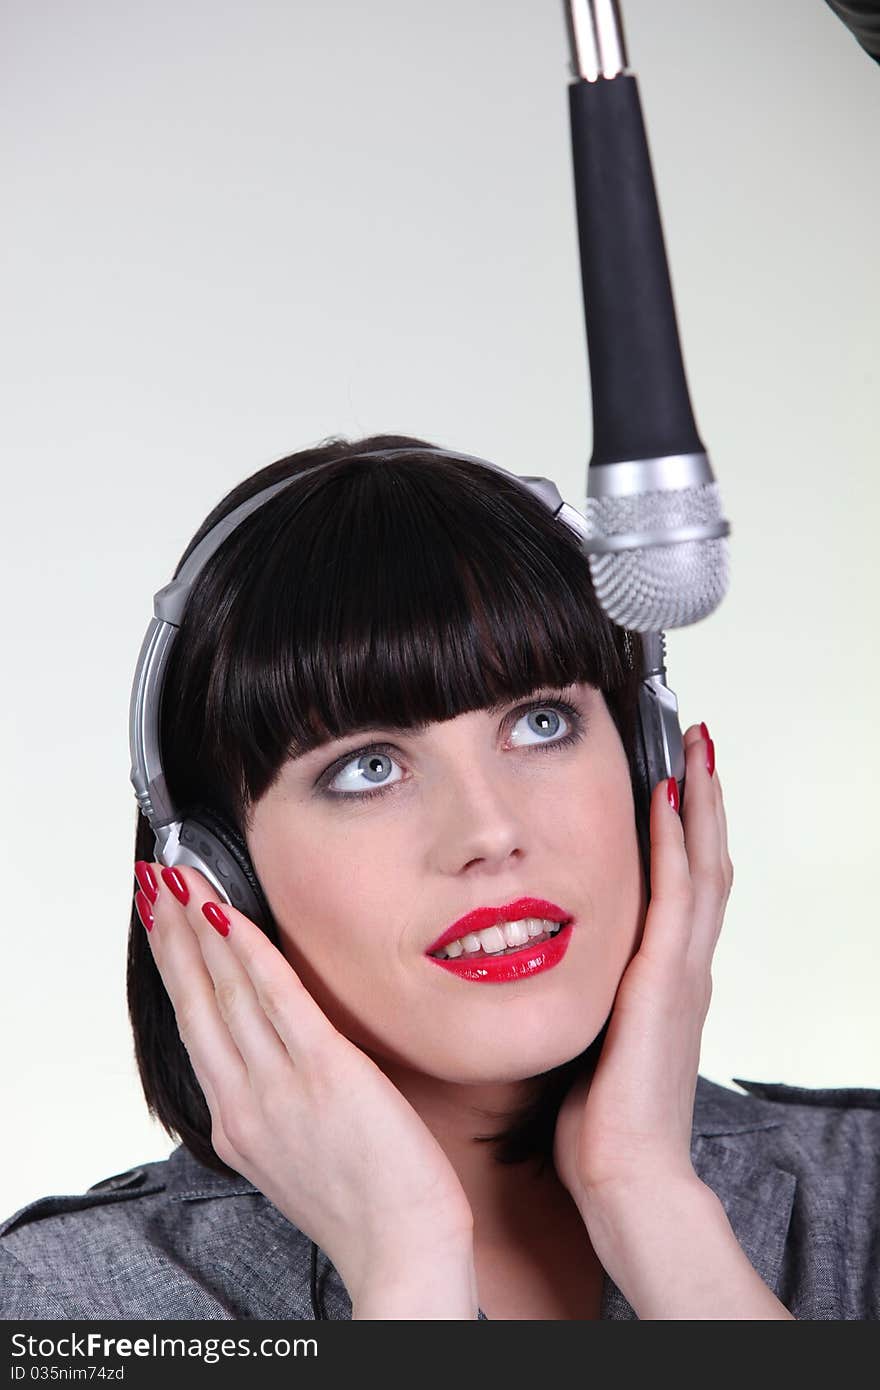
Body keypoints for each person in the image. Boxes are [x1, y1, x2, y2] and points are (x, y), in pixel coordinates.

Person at [2, 433, 878, 1321]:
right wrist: (406, 1265)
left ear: (651, 766)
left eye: (540, 723)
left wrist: (649, 1198)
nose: (490, 832)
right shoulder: (62, 1305)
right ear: (216, 875)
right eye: (369, 768)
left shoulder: (865, 1198)